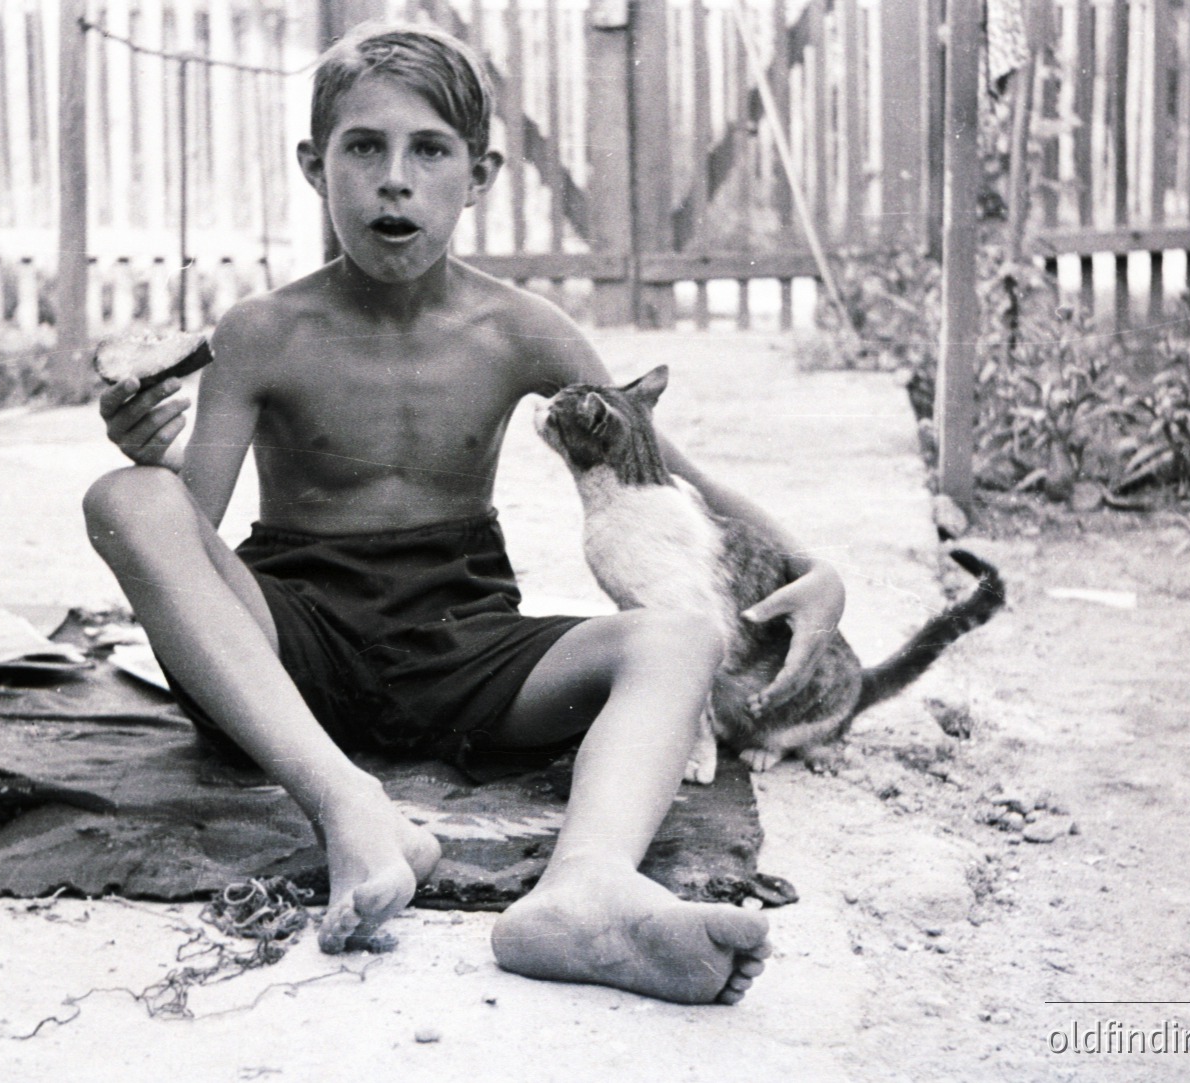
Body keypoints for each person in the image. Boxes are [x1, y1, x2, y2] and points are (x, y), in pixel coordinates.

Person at [84, 21, 844, 1007]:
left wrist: (808, 563)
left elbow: (668, 473)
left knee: (676, 642)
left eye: (429, 150)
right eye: (364, 148)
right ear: (316, 167)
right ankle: (344, 802)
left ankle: (587, 890)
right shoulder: (261, 332)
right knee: (125, 499)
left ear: (478, 174)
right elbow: (189, 524)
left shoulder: (520, 328)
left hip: (463, 639)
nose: (393, 180)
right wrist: (148, 449)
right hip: (293, 643)